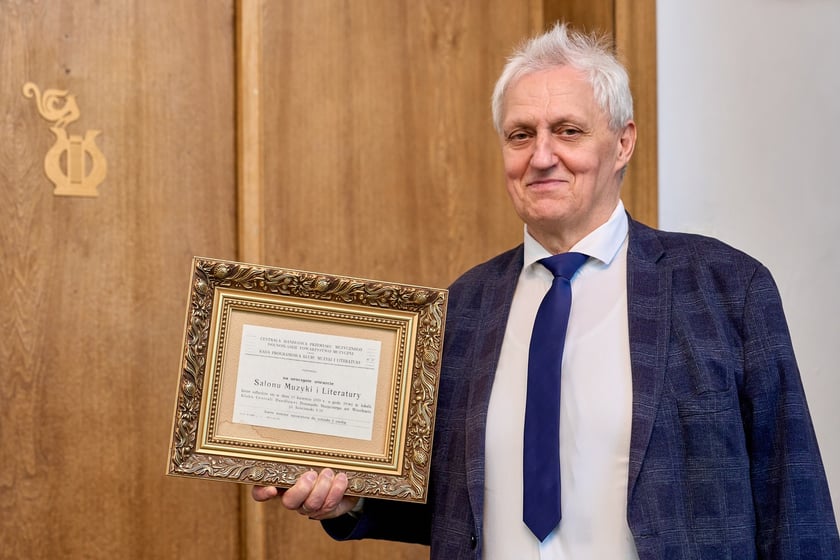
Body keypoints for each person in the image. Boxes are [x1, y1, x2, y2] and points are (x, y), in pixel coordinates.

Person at [253, 22, 840, 559]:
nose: (541, 157)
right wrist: (350, 498)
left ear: (623, 143)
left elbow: (795, 505)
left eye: (568, 131)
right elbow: (449, 506)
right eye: (520, 135)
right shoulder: (463, 309)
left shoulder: (726, 288)